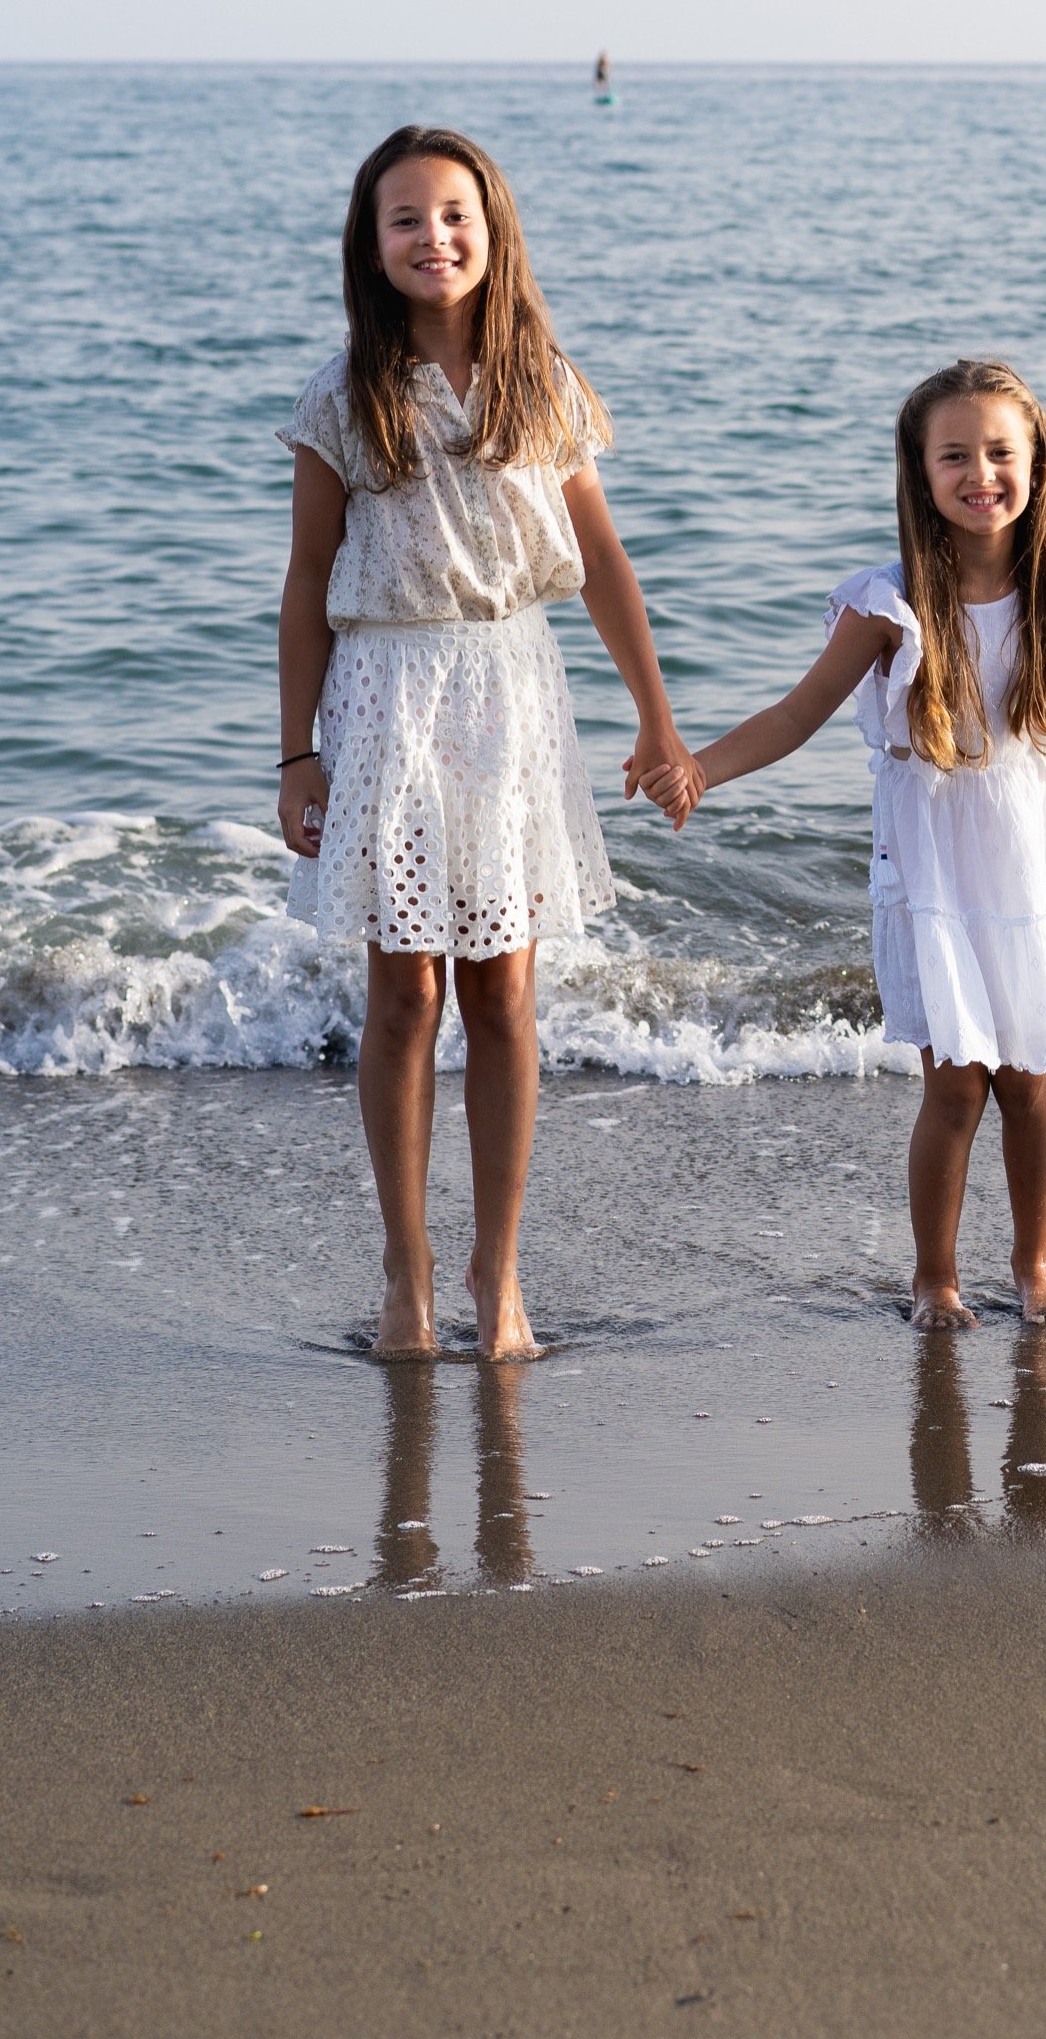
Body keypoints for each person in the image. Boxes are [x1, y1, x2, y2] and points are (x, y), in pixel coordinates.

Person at [276, 124, 698, 1361]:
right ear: (372, 244)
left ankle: (495, 1278)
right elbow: (306, 582)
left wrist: (657, 719)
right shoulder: (341, 396)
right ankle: (406, 1279)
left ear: (493, 230)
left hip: (513, 690)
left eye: (454, 215)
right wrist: (294, 753)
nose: (433, 237)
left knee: (505, 992)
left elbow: (607, 562)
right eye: (405, 219)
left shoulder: (541, 382)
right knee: (404, 994)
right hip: (387, 694)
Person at [637, 357, 1046, 1328]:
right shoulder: (890, 607)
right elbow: (797, 715)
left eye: (1001, 452)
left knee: (1032, 1078)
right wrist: (700, 766)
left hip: (1032, 863)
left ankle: (1036, 1267)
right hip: (932, 874)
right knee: (954, 1086)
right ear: (920, 474)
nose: (980, 473)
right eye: (954, 455)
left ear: (1038, 464)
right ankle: (935, 1280)